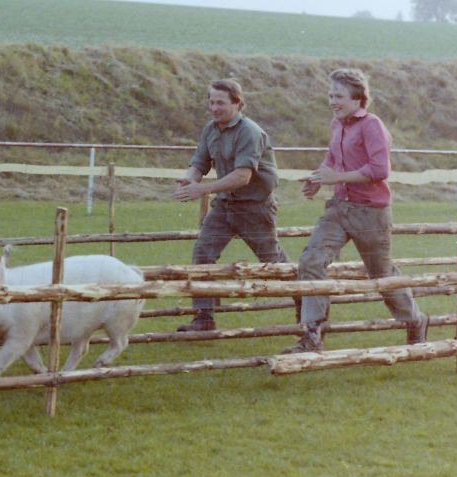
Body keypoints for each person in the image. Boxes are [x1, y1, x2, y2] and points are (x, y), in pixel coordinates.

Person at [282, 68, 428, 353]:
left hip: (370, 212)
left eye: (338, 96)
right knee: (311, 261)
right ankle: (312, 334)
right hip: (338, 209)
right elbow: (331, 159)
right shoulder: (337, 124)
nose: (332, 101)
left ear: (358, 99)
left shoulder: (372, 125)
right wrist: (316, 180)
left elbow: (380, 169)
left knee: (381, 275)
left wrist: (336, 178)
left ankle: (415, 320)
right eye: (330, 95)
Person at [174, 79, 297, 332]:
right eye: (211, 102)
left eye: (220, 102)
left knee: (273, 263)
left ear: (237, 104)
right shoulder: (210, 129)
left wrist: (202, 189)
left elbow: (243, 176)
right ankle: (204, 318)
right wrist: (189, 179)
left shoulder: (249, 132)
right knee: (203, 254)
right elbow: (199, 162)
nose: (214, 108)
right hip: (225, 205)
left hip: (254, 208)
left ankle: (309, 304)